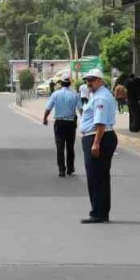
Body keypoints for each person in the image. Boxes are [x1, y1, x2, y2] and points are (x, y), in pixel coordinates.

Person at [79, 67, 119, 224]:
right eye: (87, 80)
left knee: (95, 177)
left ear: (100, 81)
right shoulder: (97, 95)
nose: (89, 83)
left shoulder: (100, 98)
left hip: (98, 137)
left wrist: (96, 144)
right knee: (101, 177)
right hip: (99, 136)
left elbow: (100, 123)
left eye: (92, 80)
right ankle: (101, 212)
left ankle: (98, 213)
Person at [42, 77, 80, 177]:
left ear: (61, 84)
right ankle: (70, 168)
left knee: (60, 147)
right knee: (70, 147)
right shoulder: (75, 95)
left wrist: (45, 118)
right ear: (70, 84)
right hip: (71, 123)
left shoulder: (55, 94)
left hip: (59, 123)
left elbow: (48, 108)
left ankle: (61, 170)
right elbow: (81, 110)